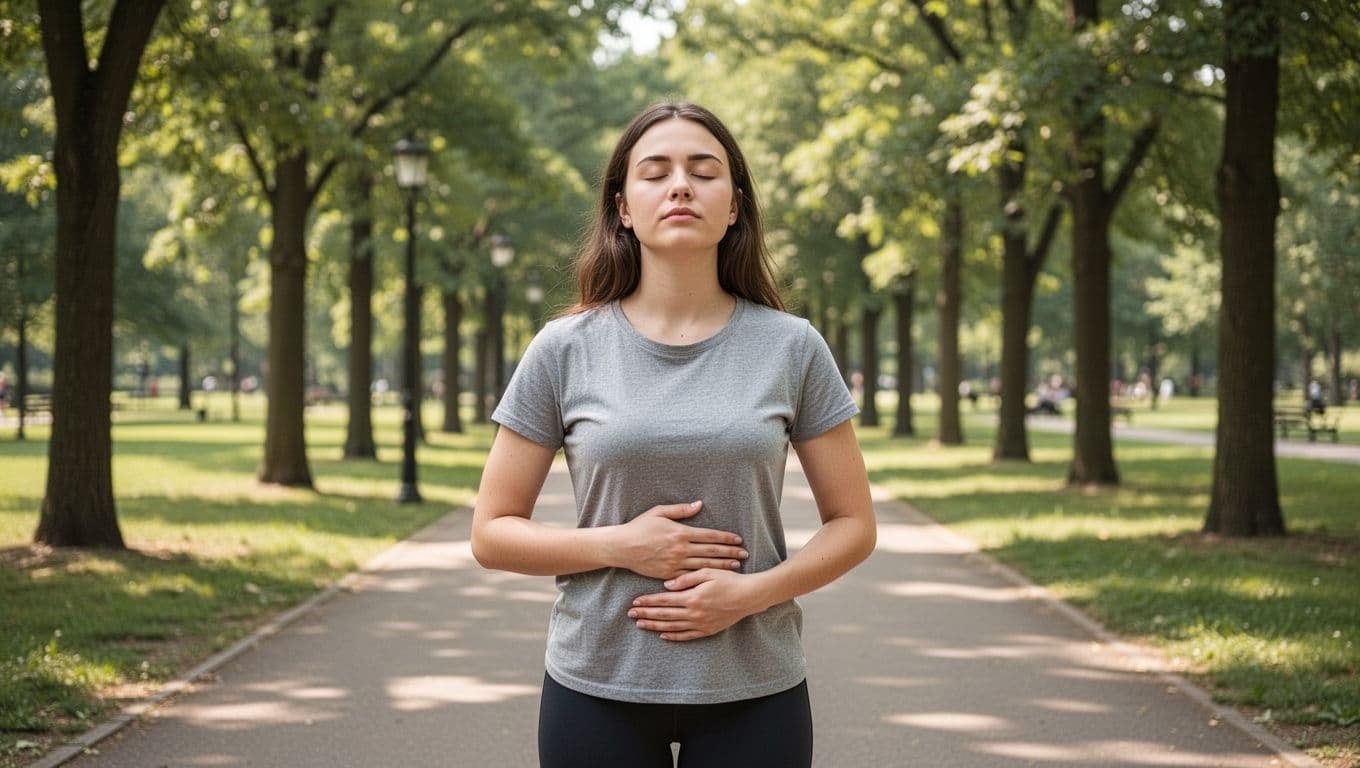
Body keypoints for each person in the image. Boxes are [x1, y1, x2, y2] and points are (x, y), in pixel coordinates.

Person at [470, 101, 877, 768]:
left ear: (736, 205)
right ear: (623, 208)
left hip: (756, 683)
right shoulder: (564, 349)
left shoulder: (792, 347)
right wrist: (622, 546)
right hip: (596, 682)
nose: (681, 185)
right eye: (655, 172)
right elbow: (492, 532)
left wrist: (750, 594)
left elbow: (854, 524)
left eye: (703, 171)